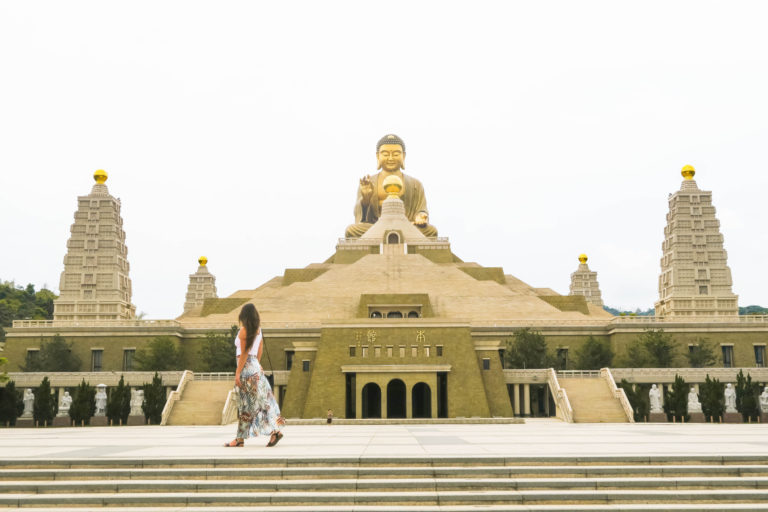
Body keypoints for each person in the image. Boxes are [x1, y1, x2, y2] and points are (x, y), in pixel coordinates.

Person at [345, 134, 438, 238]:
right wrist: (366, 199)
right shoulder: (368, 182)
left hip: (407, 227)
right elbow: (361, 219)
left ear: (403, 156)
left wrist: (421, 216)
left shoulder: (415, 184)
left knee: (431, 231)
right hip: (376, 228)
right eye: (385, 154)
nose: (390, 158)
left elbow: (421, 209)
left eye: (396, 154)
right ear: (377, 156)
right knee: (351, 230)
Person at [224, 303, 285, 447]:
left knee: (247, 404)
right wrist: (257, 363)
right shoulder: (258, 330)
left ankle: (246, 438)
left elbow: (244, 353)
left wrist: (238, 373)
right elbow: (260, 349)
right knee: (263, 401)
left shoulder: (244, 331)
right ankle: (242, 438)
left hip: (246, 368)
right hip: (255, 367)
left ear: (244, 316)